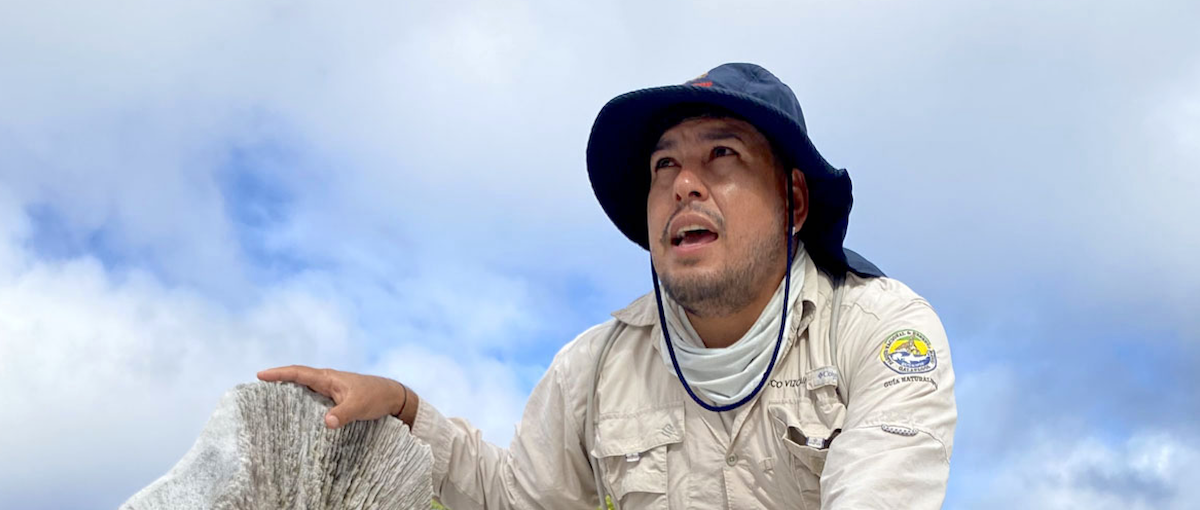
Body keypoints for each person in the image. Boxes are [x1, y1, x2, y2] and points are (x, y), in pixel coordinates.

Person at [259, 63, 957, 509]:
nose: (685, 183)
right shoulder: (595, 368)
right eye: (663, 167)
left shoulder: (881, 328)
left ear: (795, 203)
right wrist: (406, 408)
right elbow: (519, 499)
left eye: (723, 155)